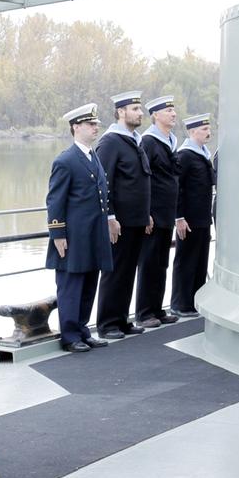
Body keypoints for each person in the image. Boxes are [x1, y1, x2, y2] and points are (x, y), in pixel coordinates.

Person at [45, 103, 113, 353]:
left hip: (93, 235)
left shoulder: (92, 156)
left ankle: (83, 330)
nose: (96, 128)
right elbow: (55, 200)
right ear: (76, 127)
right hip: (73, 237)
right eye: (90, 124)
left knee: (88, 285)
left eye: (96, 124)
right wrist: (58, 234)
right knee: (71, 287)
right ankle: (70, 336)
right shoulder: (65, 160)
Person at [95, 90, 152, 339]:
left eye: (140, 109)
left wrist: (146, 214)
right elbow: (103, 182)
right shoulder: (110, 142)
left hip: (136, 220)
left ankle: (122, 319)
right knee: (115, 272)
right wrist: (109, 217)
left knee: (128, 272)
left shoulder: (134, 140)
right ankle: (107, 324)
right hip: (119, 222)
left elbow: (139, 181)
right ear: (121, 112)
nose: (140, 113)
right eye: (135, 109)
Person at [134, 96, 181, 329]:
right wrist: (147, 213)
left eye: (173, 110)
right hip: (153, 215)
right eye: (169, 110)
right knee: (149, 263)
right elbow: (145, 179)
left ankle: (156, 309)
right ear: (156, 115)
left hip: (167, 214)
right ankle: (143, 312)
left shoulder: (169, 141)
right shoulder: (149, 142)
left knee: (161, 263)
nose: (173, 114)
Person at [170, 114, 216, 317]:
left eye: (208, 128)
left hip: (203, 218)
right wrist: (179, 217)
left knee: (199, 262)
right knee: (186, 261)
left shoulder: (203, 154)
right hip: (188, 220)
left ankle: (195, 301)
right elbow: (177, 188)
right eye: (204, 129)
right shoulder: (185, 155)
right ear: (192, 132)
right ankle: (181, 304)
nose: (208, 132)